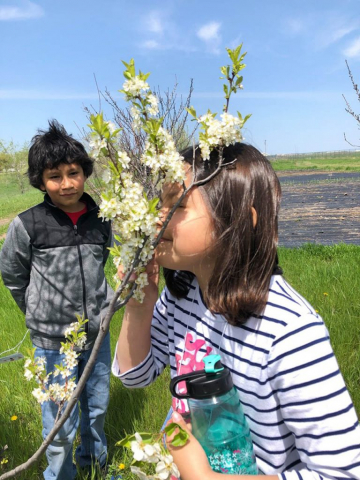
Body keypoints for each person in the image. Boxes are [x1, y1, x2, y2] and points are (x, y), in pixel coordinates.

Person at [112, 141, 360, 480]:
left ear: (240, 220)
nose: (159, 217)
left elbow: (343, 473)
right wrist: (139, 305)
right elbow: (135, 376)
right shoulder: (181, 297)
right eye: (161, 201)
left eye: (179, 203)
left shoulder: (289, 332)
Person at [0, 120, 114, 480]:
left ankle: (95, 468)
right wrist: (36, 312)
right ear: (40, 181)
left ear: (85, 173)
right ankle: (60, 475)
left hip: (96, 334)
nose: (66, 183)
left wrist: (98, 311)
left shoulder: (101, 218)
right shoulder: (28, 224)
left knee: (95, 410)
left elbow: (102, 264)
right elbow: (12, 273)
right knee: (60, 422)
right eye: (54, 176)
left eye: (73, 173)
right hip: (52, 343)